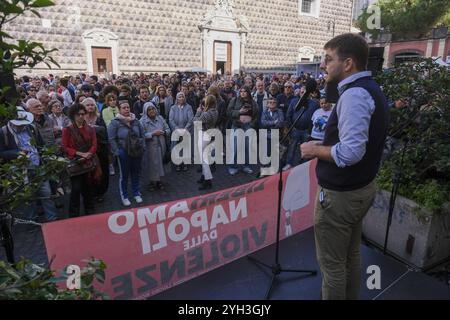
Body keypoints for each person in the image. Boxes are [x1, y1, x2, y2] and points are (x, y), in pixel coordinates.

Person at [300, 33, 390, 300]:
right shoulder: (369, 89)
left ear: (348, 63)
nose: (322, 65)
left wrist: (315, 149)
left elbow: (351, 152)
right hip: (359, 190)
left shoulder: (354, 95)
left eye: (328, 59)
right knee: (349, 256)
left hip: (341, 197)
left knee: (332, 267)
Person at [0, 107, 59, 222]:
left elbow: (41, 145)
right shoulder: (4, 132)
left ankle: (53, 219)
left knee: (46, 193)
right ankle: (32, 221)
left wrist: (46, 159)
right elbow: (1, 153)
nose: (22, 126)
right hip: (19, 170)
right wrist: (17, 153)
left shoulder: (31, 128)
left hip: (38, 166)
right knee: (26, 197)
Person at [62, 103, 98, 217]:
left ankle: (90, 210)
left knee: (88, 187)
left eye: (83, 114)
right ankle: (74, 214)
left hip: (88, 161)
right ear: (73, 116)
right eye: (78, 115)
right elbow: (64, 147)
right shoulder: (67, 130)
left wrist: (89, 154)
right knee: (76, 189)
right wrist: (80, 153)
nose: (81, 117)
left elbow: (94, 144)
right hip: (75, 163)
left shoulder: (90, 129)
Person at [108, 100, 145, 207]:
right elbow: (111, 139)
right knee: (124, 175)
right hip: (123, 152)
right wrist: (117, 152)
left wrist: (143, 147)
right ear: (119, 109)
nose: (126, 109)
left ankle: (136, 192)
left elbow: (142, 134)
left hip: (137, 150)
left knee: (136, 172)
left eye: (128, 107)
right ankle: (124, 195)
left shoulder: (136, 121)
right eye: (124, 108)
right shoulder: (115, 122)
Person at [227, 86, 259, 175]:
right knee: (235, 147)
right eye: (241, 91)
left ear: (248, 92)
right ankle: (232, 166)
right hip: (237, 126)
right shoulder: (234, 100)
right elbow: (228, 112)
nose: (243, 93)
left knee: (247, 148)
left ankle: (246, 166)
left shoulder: (253, 103)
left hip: (248, 127)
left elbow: (256, 115)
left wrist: (252, 124)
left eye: (245, 91)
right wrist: (239, 112)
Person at [82, 98, 109, 203]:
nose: (90, 107)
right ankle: (91, 193)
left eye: (92, 105)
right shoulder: (81, 119)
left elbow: (104, 132)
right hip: (86, 151)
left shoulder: (99, 118)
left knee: (102, 172)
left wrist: (92, 129)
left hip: (100, 150)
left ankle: (100, 193)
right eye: (88, 105)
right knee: (89, 173)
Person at [140, 102, 171, 191]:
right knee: (152, 165)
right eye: (149, 110)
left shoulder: (160, 118)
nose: (152, 111)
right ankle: (152, 182)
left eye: (153, 109)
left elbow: (168, 129)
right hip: (150, 147)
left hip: (161, 145)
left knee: (160, 164)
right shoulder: (142, 121)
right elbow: (141, 135)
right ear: (145, 111)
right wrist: (153, 133)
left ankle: (159, 181)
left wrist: (164, 132)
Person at [194, 95, 219, 190]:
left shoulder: (205, 114)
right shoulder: (215, 111)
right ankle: (204, 176)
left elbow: (195, 122)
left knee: (204, 160)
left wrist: (198, 112)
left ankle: (208, 180)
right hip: (210, 134)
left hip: (204, 135)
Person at [168, 92, 194, 172]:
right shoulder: (173, 108)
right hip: (176, 131)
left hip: (186, 130)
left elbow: (190, 119)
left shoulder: (188, 107)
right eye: (179, 97)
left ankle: (185, 163)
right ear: (177, 99)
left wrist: (185, 129)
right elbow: (171, 120)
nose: (181, 98)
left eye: (182, 96)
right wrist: (177, 129)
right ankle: (178, 164)